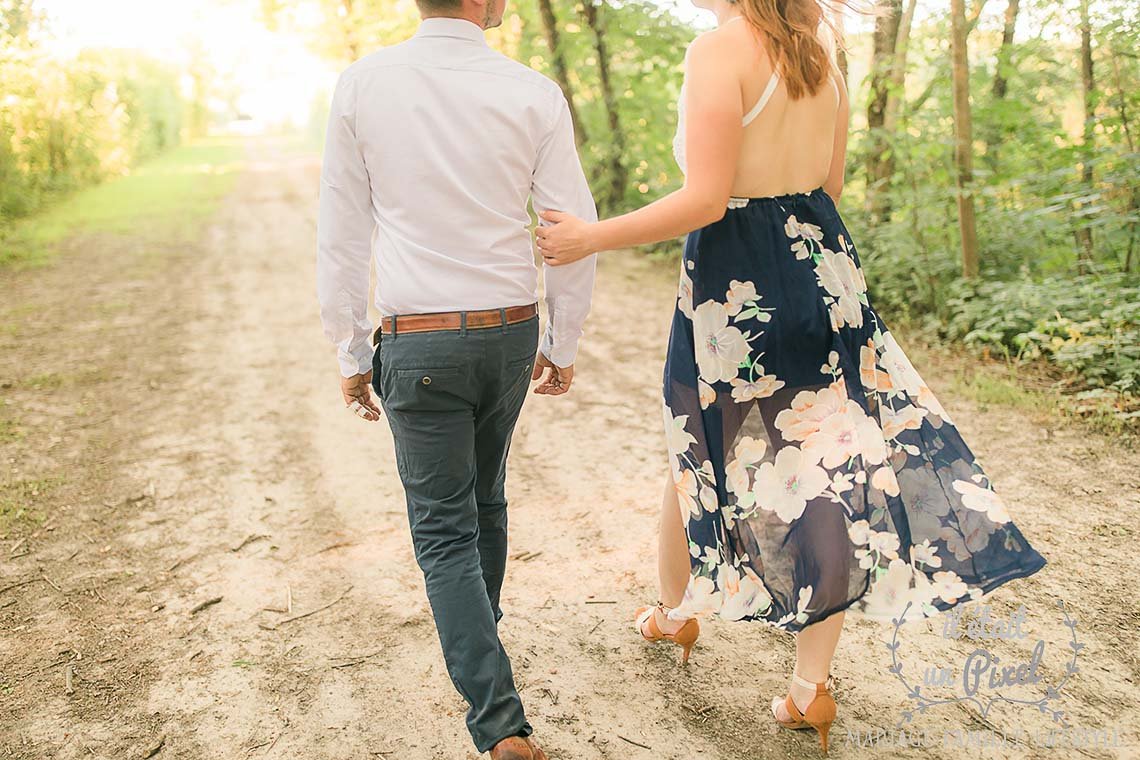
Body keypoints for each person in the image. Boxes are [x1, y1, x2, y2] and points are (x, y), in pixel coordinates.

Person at [535, 0, 1046, 753]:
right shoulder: (821, 54)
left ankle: (678, 613)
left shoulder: (719, 51)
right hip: (821, 270)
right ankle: (804, 687)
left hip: (737, 281)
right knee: (824, 465)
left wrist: (589, 238)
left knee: (702, 446)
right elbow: (828, 183)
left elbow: (706, 199)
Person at [313, 0, 598, 755]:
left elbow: (340, 233)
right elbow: (572, 229)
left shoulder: (364, 85)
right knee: (486, 496)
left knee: (444, 528)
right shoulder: (532, 90)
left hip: (421, 341)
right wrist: (562, 339)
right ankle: (482, 642)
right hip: (509, 331)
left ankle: (499, 723)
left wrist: (350, 353)